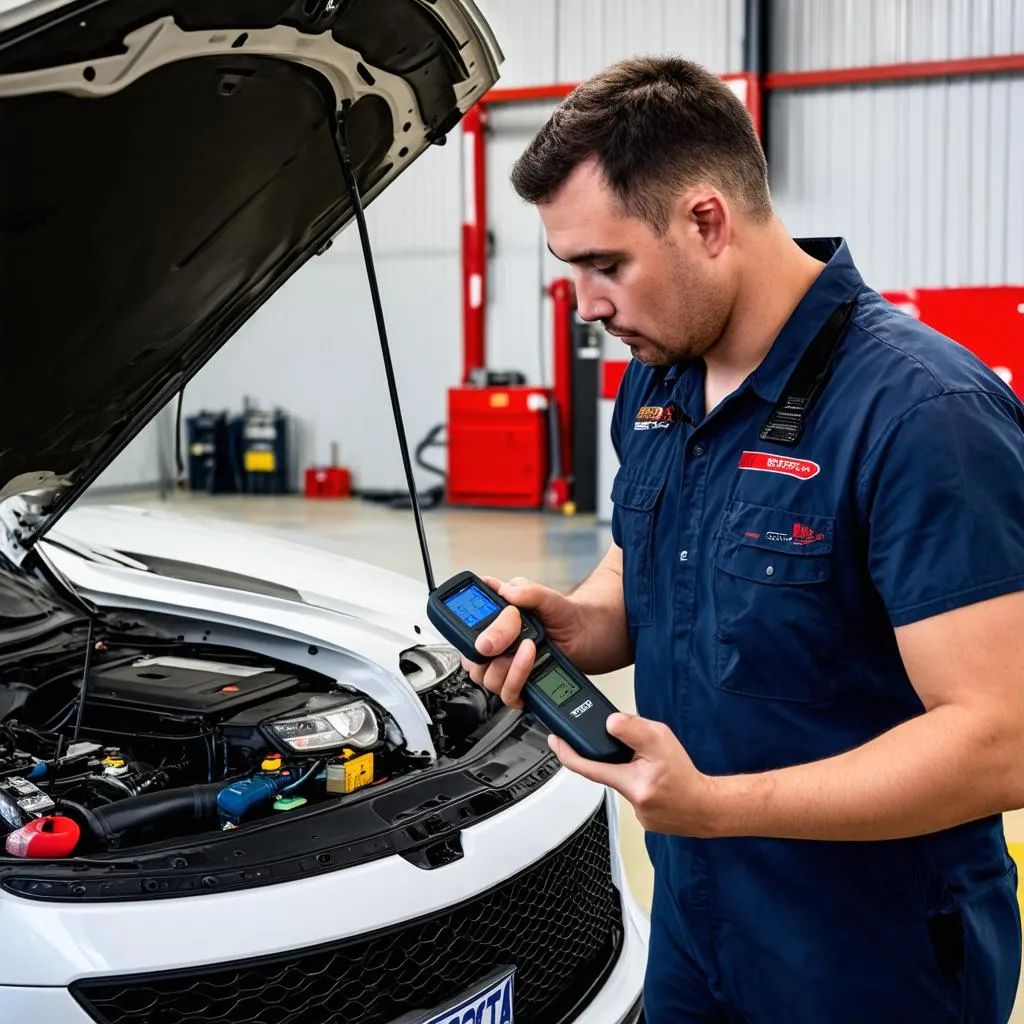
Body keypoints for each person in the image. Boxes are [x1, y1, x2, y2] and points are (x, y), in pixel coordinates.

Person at [462, 56, 1024, 1023]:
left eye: (606, 265)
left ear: (706, 221)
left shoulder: (923, 415)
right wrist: (578, 621)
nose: (588, 308)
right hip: (693, 917)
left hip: (867, 953)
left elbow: (1001, 739)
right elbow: (637, 571)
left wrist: (720, 807)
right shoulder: (658, 382)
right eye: (572, 273)